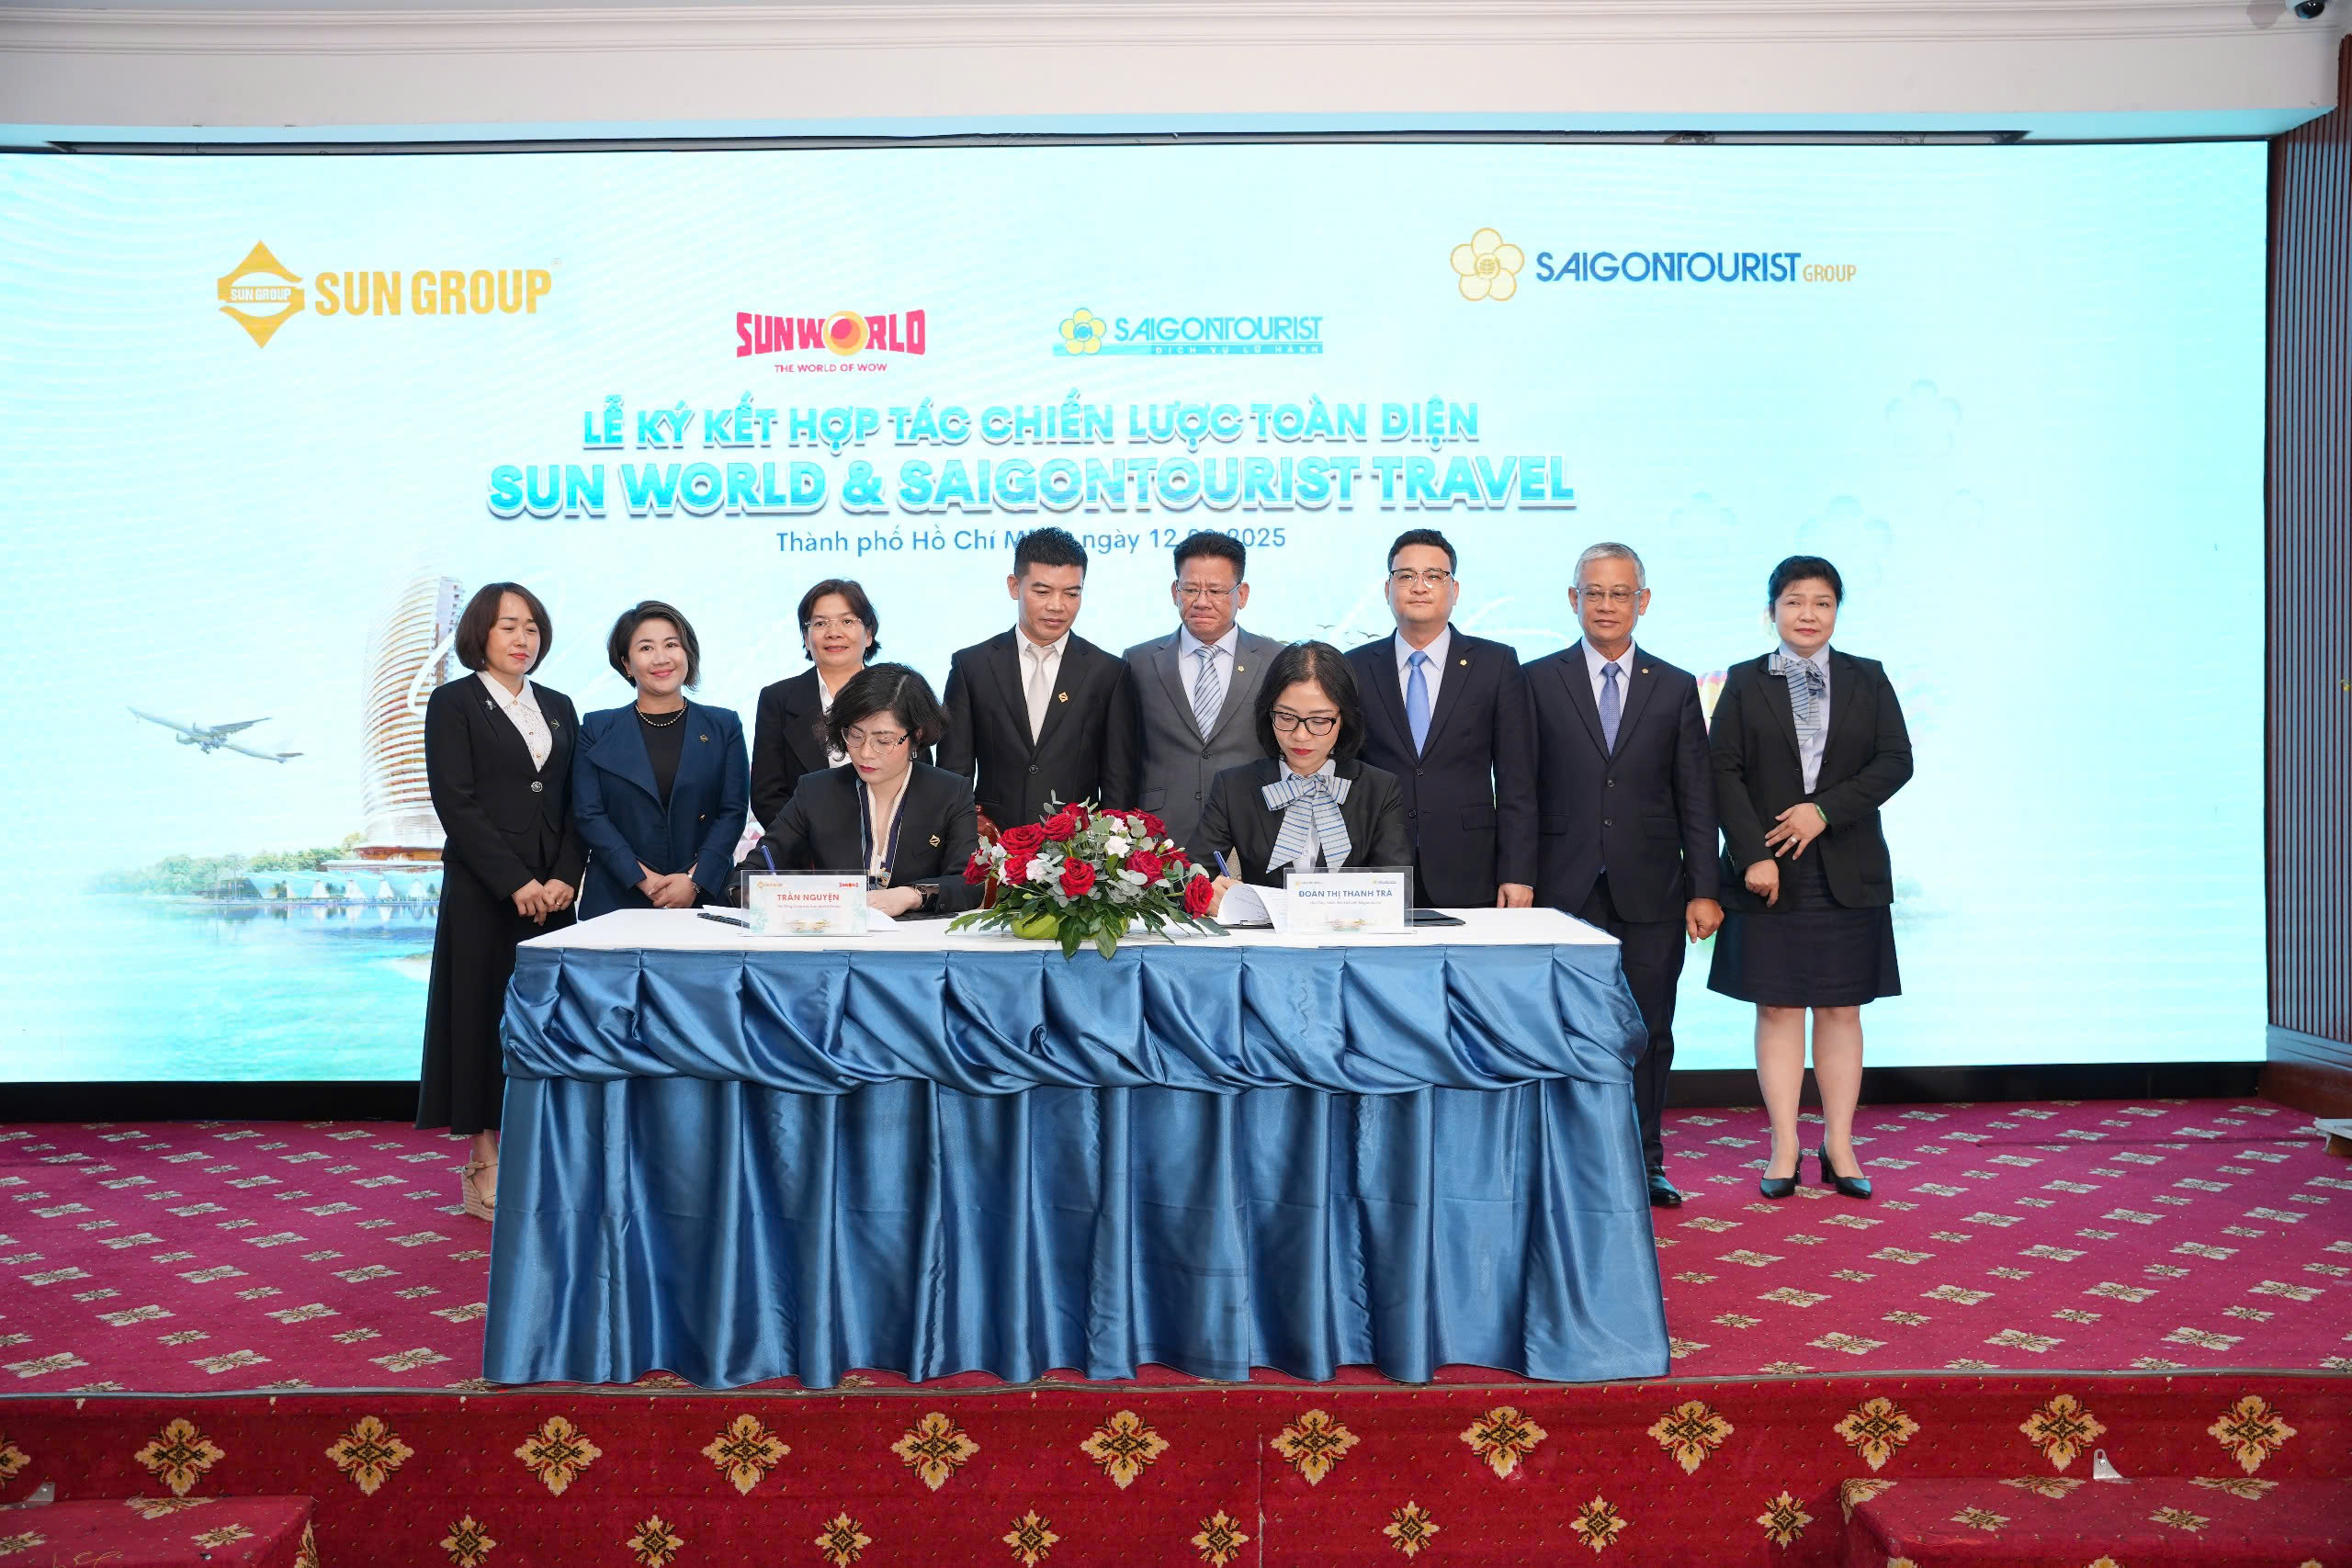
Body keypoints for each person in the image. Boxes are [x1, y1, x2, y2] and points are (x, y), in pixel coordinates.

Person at [1708, 555, 1913, 1201]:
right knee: (1776, 1006)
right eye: (1794, 601)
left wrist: (1823, 811)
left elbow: (1895, 761)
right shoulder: (1744, 681)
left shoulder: (1867, 677)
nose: (1807, 614)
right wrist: (1752, 855)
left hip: (1847, 868)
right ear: (1771, 610)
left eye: (1822, 602)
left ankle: (1840, 1143)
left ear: (1836, 611)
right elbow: (1722, 772)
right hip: (1770, 870)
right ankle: (1785, 1145)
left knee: (1841, 1007)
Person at [1527, 544, 1722, 1208]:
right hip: (1560, 889)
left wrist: (1704, 888)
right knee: (1561, 1030)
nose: (1606, 604)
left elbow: (1696, 796)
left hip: (1652, 889)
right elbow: (1518, 790)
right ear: (1573, 598)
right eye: (1594, 592)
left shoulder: (1675, 685)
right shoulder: (1537, 680)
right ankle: (1566, 1162)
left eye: (1620, 593)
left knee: (1648, 1030)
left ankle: (1645, 1161)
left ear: (1643, 601)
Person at [416, 582, 582, 1221]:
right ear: (480, 632)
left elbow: (575, 801)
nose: (522, 638)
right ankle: (482, 1160)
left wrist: (565, 875)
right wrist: (515, 882)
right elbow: (455, 802)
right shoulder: (453, 702)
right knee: (481, 1020)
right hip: (485, 892)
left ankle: (541, 1156)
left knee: (547, 1023)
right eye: (508, 625)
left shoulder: (559, 706)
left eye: (532, 627)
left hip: (554, 896)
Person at [1343, 528, 1537, 909]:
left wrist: (1517, 872)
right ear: (1387, 589)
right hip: (1375, 865)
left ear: (1455, 590)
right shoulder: (1355, 666)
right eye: (1406, 576)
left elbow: (1518, 779)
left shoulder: (1496, 664)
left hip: (1470, 864)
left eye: (1434, 576)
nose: (1420, 586)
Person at [741, 663, 982, 916]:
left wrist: (913, 895)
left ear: (917, 735)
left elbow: (969, 883)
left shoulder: (951, 792)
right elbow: (748, 874)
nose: (865, 753)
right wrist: (770, 896)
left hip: (919, 935)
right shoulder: (815, 791)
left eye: (883, 741)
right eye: (855, 736)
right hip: (835, 931)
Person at [937, 526, 1136, 829]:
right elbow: (954, 771)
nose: (1057, 606)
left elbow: (1118, 780)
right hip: (993, 842)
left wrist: (1111, 845)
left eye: (1072, 593)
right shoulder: (972, 666)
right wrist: (963, 833)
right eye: (1042, 592)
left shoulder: (1107, 672)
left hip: (1077, 848)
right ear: (1014, 586)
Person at [1198, 641, 1412, 913]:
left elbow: (1397, 890)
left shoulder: (1379, 788)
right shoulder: (1234, 787)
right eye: (1286, 717)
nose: (1300, 736)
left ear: (1344, 719)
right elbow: (1188, 877)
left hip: (1348, 934)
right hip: (1265, 937)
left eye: (1319, 721)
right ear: (1268, 713)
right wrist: (1206, 892)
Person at [573, 600, 750, 919]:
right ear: (626, 663)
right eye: (646, 648)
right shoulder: (597, 728)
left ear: (687, 653)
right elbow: (589, 815)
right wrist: (643, 879)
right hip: (616, 895)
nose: (661, 658)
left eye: (671, 644)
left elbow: (733, 811)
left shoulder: (724, 726)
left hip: (705, 894)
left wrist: (694, 880)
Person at [1122, 530, 1283, 858]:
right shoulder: (1137, 661)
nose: (1201, 601)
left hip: (1251, 829)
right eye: (1191, 589)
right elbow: (1122, 757)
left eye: (1216, 591)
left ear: (1242, 594)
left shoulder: (1275, 659)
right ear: (1175, 591)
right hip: (1159, 837)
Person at [750, 578, 906, 830]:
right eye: (820, 623)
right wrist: (814, 841)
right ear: (806, 637)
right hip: (807, 846)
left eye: (847, 621)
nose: (834, 632)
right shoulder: (777, 699)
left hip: (893, 842)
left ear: (868, 634)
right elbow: (767, 795)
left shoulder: (898, 692)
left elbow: (920, 778)